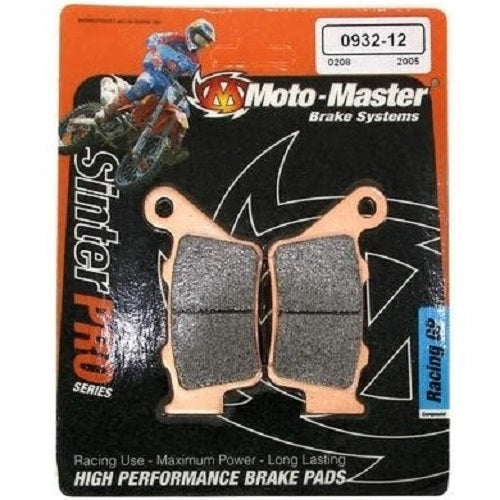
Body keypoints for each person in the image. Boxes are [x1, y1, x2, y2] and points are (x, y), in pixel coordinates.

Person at [96, 19, 215, 159]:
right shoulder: (176, 38)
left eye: (204, 42)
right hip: (154, 71)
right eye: (200, 38)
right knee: (143, 86)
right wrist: (156, 54)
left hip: (167, 82)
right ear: (192, 32)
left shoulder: (194, 60)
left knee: (184, 110)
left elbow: (193, 78)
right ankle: (107, 112)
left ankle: (171, 147)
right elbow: (154, 38)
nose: (200, 43)